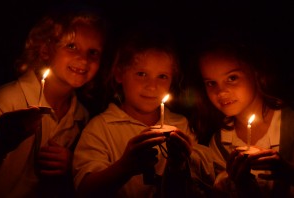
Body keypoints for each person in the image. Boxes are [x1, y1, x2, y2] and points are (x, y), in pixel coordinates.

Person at [73, 23, 215, 198]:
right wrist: (124, 167)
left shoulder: (180, 125)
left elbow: (198, 186)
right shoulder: (100, 128)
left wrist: (179, 164)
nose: (152, 86)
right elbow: (84, 190)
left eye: (162, 76)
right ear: (119, 74)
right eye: (141, 74)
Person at [0, 3, 107, 198]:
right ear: (45, 49)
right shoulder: (5, 101)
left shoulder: (81, 118)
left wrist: (73, 167)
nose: (84, 59)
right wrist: (0, 143)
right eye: (71, 46)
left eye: (93, 52)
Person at [191, 39, 294, 197]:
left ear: (256, 72)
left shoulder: (290, 123)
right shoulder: (220, 143)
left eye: (232, 78)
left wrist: (289, 173)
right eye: (211, 83)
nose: (221, 92)